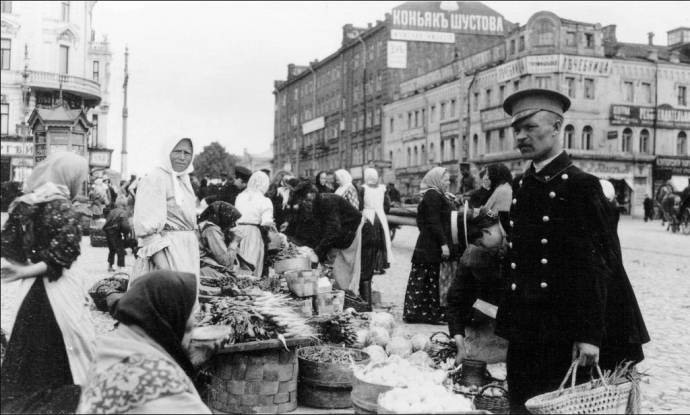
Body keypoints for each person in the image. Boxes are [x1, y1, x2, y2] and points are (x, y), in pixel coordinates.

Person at [496, 88, 649, 412]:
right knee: (522, 404)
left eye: (530, 127)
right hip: (525, 328)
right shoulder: (522, 186)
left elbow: (598, 266)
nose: (521, 136)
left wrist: (590, 335)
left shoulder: (581, 185)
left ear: (556, 127)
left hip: (563, 330)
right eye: (516, 129)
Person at [1, 151, 95, 414]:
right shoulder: (62, 206)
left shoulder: (25, 203)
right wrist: (27, 271)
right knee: (64, 350)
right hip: (58, 291)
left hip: (30, 292)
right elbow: (62, 254)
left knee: (27, 351)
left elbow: (8, 244)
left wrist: (23, 267)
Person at [76, 271, 211, 414]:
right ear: (169, 322)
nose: (191, 333)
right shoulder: (162, 384)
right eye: (189, 327)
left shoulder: (109, 348)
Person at [132, 137, 200, 289]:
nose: (182, 157)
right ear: (167, 152)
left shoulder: (184, 179)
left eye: (187, 153)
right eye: (177, 151)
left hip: (186, 254)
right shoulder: (155, 178)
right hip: (167, 254)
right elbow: (148, 230)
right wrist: (165, 270)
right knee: (168, 297)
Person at [447, 207, 509, 365]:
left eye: (480, 243)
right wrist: (461, 345)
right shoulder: (473, 255)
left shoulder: (523, 236)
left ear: (487, 231)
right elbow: (455, 300)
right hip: (492, 325)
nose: (481, 247)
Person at [403, 167, 455, 324]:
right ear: (437, 180)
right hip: (430, 246)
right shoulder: (433, 195)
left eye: (448, 180)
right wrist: (443, 243)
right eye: (445, 180)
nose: (448, 183)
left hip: (429, 244)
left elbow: (423, 221)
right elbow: (433, 221)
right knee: (428, 279)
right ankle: (426, 314)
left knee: (429, 279)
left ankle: (423, 313)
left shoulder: (436, 195)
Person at [311, 189, 367, 297]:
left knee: (358, 271)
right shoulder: (320, 203)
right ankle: (350, 297)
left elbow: (333, 230)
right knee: (343, 270)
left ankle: (363, 304)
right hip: (348, 234)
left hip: (359, 232)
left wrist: (318, 252)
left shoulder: (327, 202)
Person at [234, 171, 274, 278]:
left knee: (239, 263)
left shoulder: (240, 196)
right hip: (253, 233)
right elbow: (266, 222)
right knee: (252, 263)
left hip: (238, 232)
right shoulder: (264, 200)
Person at [359, 168, 392, 276]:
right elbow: (387, 204)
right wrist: (382, 211)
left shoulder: (363, 189)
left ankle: (370, 264)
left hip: (368, 215)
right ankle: (380, 265)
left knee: (368, 241)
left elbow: (360, 204)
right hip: (380, 215)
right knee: (381, 241)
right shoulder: (382, 189)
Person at [198, 201, 242, 280]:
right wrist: (234, 241)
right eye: (232, 221)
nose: (234, 225)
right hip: (205, 269)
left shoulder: (211, 227)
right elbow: (226, 263)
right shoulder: (211, 230)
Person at [482, 163, 513, 230]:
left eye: (488, 175)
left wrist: (484, 211)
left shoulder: (503, 190)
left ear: (494, 176)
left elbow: (498, 217)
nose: (487, 178)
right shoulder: (501, 188)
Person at [103, 196, 131, 272]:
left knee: (111, 250)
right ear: (124, 204)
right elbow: (125, 226)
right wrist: (126, 233)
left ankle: (110, 265)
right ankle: (120, 266)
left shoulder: (111, 211)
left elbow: (107, 222)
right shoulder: (123, 213)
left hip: (108, 233)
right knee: (120, 249)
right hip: (116, 233)